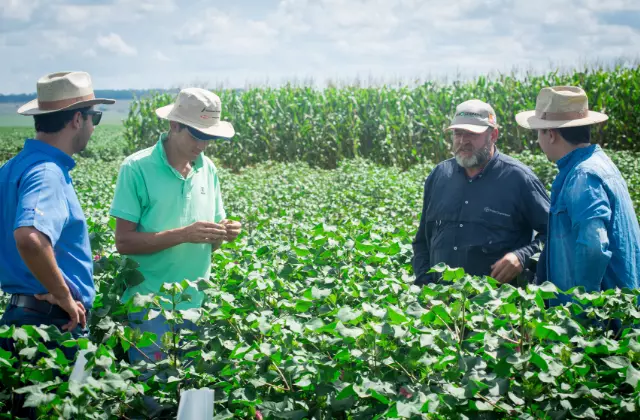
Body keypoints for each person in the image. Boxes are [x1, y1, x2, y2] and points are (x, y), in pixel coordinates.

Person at [0, 71, 115, 417]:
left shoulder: (11, 169)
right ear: (77, 119)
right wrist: (63, 294)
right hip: (50, 325)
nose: (94, 126)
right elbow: (30, 238)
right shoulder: (46, 171)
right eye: (94, 117)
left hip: (21, 317)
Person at [109, 87, 242, 365]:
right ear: (174, 125)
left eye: (209, 137)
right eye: (197, 135)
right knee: (152, 398)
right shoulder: (136, 168)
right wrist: (183, 235)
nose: (203, 145)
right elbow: (124, 242)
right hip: (150, 308)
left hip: (196, 306)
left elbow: (211, 244)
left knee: (192, 396)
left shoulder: (208, 169)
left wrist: (224, 233)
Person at [515, 86, 640, 304]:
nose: (538, 140)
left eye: (539, 132)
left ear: (551, 135)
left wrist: (583, 310)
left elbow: (593, 248)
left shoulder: (583, 176)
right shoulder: (599, 164)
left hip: (599, 324)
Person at [412, 99, 550, 286]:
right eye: (458, 133)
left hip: (497, 306)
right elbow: (422, 242)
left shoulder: (519, 179)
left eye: (471, 134)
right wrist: (425, 286)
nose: (462, 141)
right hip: (440, 305)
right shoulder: (439, 176)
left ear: (493, 135)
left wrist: (522, 256)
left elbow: (554, 233)